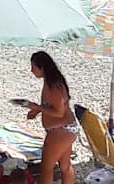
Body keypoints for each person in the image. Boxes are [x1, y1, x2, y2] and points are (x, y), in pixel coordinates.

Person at [27, 51, 77, 184]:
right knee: (65, 166)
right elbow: (51, 106)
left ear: (42, 67)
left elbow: (59, 112)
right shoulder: (52, 81)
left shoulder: (53, 85)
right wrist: (37, 111)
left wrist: (38, 108)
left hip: (60, 130)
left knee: (46, 169)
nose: (31, 70)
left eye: (33, 67)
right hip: (66, 129)